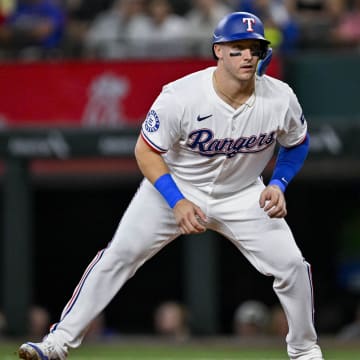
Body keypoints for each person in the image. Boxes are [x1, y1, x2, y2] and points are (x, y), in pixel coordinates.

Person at [18, 11, 324, 360]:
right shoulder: (182, 96)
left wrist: (280, 183)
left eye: (254, 48)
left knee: (292, 267)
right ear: (218, 51)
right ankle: (57, 343)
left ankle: (304, 350)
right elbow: (146, 151)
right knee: (118, 257)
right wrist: (176, 201)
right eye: (237, 48)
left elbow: (297, 141)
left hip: (243, 194)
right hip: (174, 188)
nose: (246, 56)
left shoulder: (280, 97)